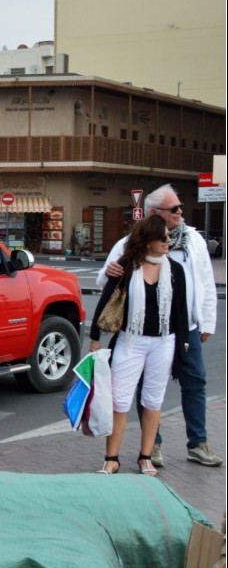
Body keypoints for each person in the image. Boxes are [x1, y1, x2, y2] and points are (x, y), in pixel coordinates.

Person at [96, 184, 221, 468]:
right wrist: (109, 271)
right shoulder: (130, 243)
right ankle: (152, 447)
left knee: (195, 382)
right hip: (143, 333)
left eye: (180, 207)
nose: (180, 212)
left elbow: (205, 281)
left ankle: (198, 443)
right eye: (174, 208)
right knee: (147, 389)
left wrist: (207, 321)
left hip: (186, 326)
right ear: (154, 213)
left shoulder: (192, 240)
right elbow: (107, 283)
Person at [89, 215, 188, 476]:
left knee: (153, 400)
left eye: (169, 237)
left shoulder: (175, 271)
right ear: (147, 242)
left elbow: (181, 311)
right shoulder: (126, 266)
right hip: (130, 341)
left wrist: (183, 345)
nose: (168, 241)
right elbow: (106, 299)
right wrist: (95, 337)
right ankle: (111, 459)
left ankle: (146, 457)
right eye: (162, 237)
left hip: (164, 342)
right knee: (119, 401)